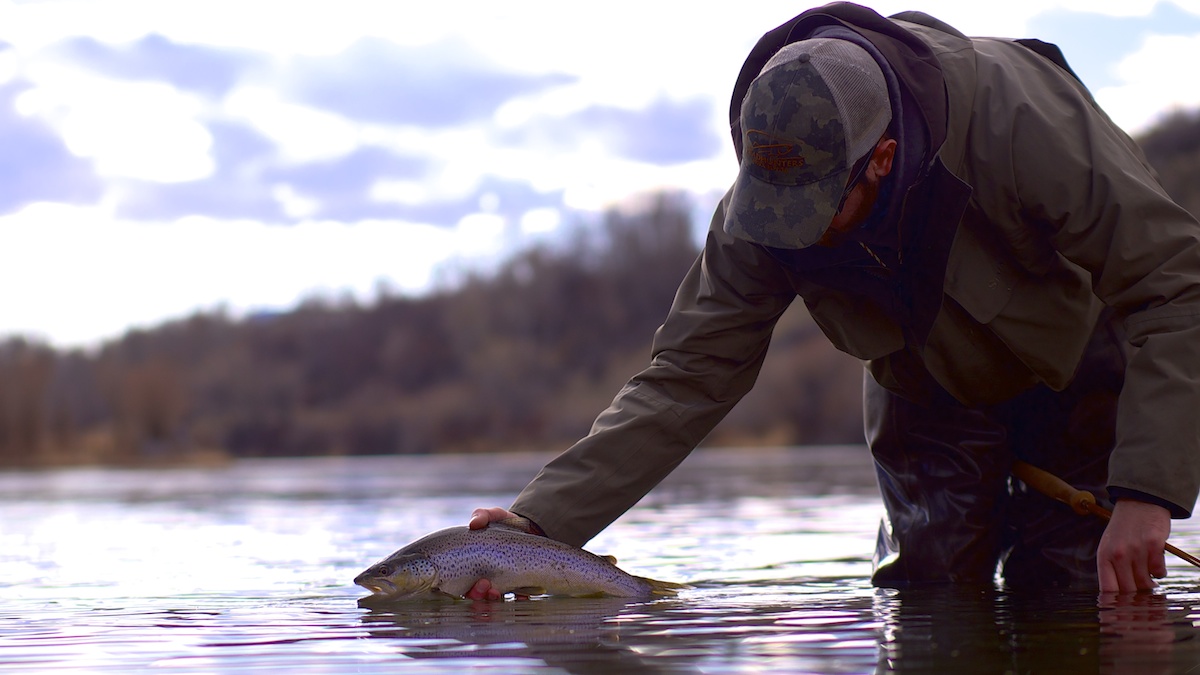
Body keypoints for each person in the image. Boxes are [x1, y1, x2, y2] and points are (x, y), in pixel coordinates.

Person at [468, 2, 1200, 597]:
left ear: (879, 158)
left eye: (817, 210)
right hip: (925, 394)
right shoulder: (762, 204)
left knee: (1079, 594)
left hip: (1078, 379)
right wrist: (538, 525)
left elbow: (1173, 282)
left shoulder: (1020, 116)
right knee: (930, 599)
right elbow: (689, 373)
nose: (796, 235)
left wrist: (1147, 492)